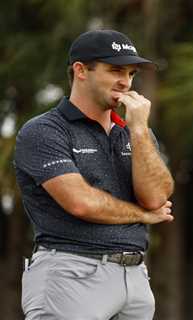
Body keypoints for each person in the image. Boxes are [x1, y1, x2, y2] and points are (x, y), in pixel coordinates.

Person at [14, 29, 174, 319]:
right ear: (81, 71)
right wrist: (141, 215)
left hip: (135, 278)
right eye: (115, 70)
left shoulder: (137, 131)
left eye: (131, 73)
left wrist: (138, 130)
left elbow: (157, 197)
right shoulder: (44, 130)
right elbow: (80, 202)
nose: (125, 82)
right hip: (70, 274)